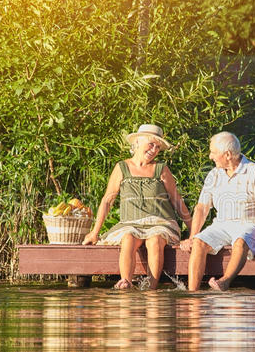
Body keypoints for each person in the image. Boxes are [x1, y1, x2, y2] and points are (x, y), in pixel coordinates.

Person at [82, 124, 192, 289]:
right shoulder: (122, 167)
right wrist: (94, 232)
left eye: (158, 147)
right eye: (151, 144)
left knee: (154, 240)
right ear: (138, 142)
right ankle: (125, 282)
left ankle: (151, 289)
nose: (154, 149)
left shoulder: (161, 169)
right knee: (128, 238)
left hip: (160, 222)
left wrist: (193, 231)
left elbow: (177, 201)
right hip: (131, 223)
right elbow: (107, 200)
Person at [180, 132, 255, 291]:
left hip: (250, 222)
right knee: (198, 242)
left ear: (228, 155)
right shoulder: (214, 174)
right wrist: (191, 237)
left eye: (213, 152)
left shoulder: (254, 171)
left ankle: (224, 281)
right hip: (222, 224)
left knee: (240, 241)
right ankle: (192, 292)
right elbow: (202, 208)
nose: (210, 156)